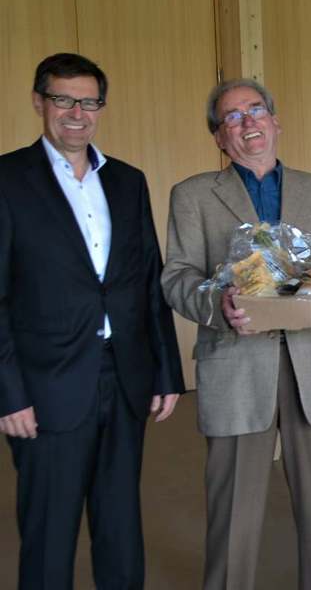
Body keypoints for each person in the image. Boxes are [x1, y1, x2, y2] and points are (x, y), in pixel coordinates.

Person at [161, 79, 311, 590]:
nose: (247, 122)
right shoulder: (194, 195)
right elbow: (177, 278)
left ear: (275, 121)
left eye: (256, 110)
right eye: (231, 117)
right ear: (219, 137)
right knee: (233, 510)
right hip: (235, 360)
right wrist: (219, 304)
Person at [0, 53, 185, 590]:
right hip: (44, 384)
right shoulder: (8, 179)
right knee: (49, 532)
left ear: (101, 107)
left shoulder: (129, 181)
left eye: (88, 101)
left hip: (123, 376)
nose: (76, 113)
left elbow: (148, 281)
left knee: (121, 524)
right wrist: (8, 392)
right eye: (62, 99)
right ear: (40, 102)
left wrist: (166, 371)